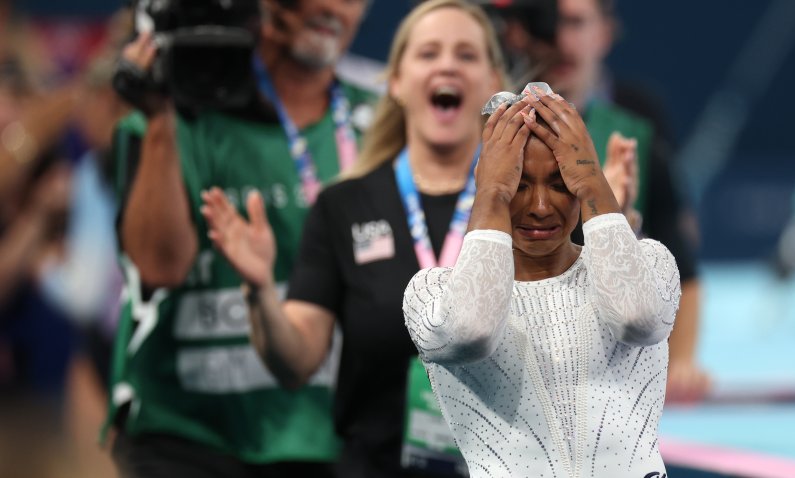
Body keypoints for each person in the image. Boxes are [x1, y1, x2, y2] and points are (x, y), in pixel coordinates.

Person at [200, 1, 508, 476]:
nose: (447, 64)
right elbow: (297, 361)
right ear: (396, 83)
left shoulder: (529, 206)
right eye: (428, 53)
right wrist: (259, 290)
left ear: (492, 83)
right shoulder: (343, 207)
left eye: (466, 55)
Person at [104, 0, 373, 476]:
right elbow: (159, 266)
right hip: (186, 435)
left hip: (326, 438)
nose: (333, 6)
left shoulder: (382, 128)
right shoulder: (175, 116)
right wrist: (160, 118)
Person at [403, 86, 680, 478]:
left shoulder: (653, 264)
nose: (539, 207)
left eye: (560, 182)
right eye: (517, 183)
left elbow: (637, 318)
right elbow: (471, 331)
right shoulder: (431, 293)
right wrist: (492, 193)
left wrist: (591, 182)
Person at [535, 0, 709, 402]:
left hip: (614, 376)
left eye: (576, 23)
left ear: (605, 32)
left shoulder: (637, 124)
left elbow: (682, 261)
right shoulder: (498, 122)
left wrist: (681, 363)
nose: (562, 40)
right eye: (550, 23)